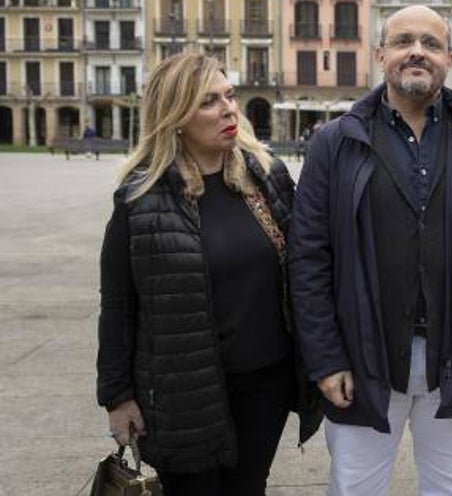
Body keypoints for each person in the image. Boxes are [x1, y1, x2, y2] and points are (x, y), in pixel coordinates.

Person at [289, 5, 452, 495]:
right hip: (362, 358)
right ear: (381, 55)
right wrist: (326, 358)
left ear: (450, 58)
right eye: (403, 41)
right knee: (354, 488)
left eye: (431, 43)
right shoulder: (335, 144)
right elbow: (308, 258)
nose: (417, 51)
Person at [97, 51, 322, 495]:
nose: (228, 109)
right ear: (176, 116)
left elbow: (306, 265)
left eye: (230, 95)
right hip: (184, 389)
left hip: (266, 383)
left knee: (248, 488)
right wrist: (117, 396)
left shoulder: (267, 177)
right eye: (208, 102)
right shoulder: (141, 199)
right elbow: (118, 304)